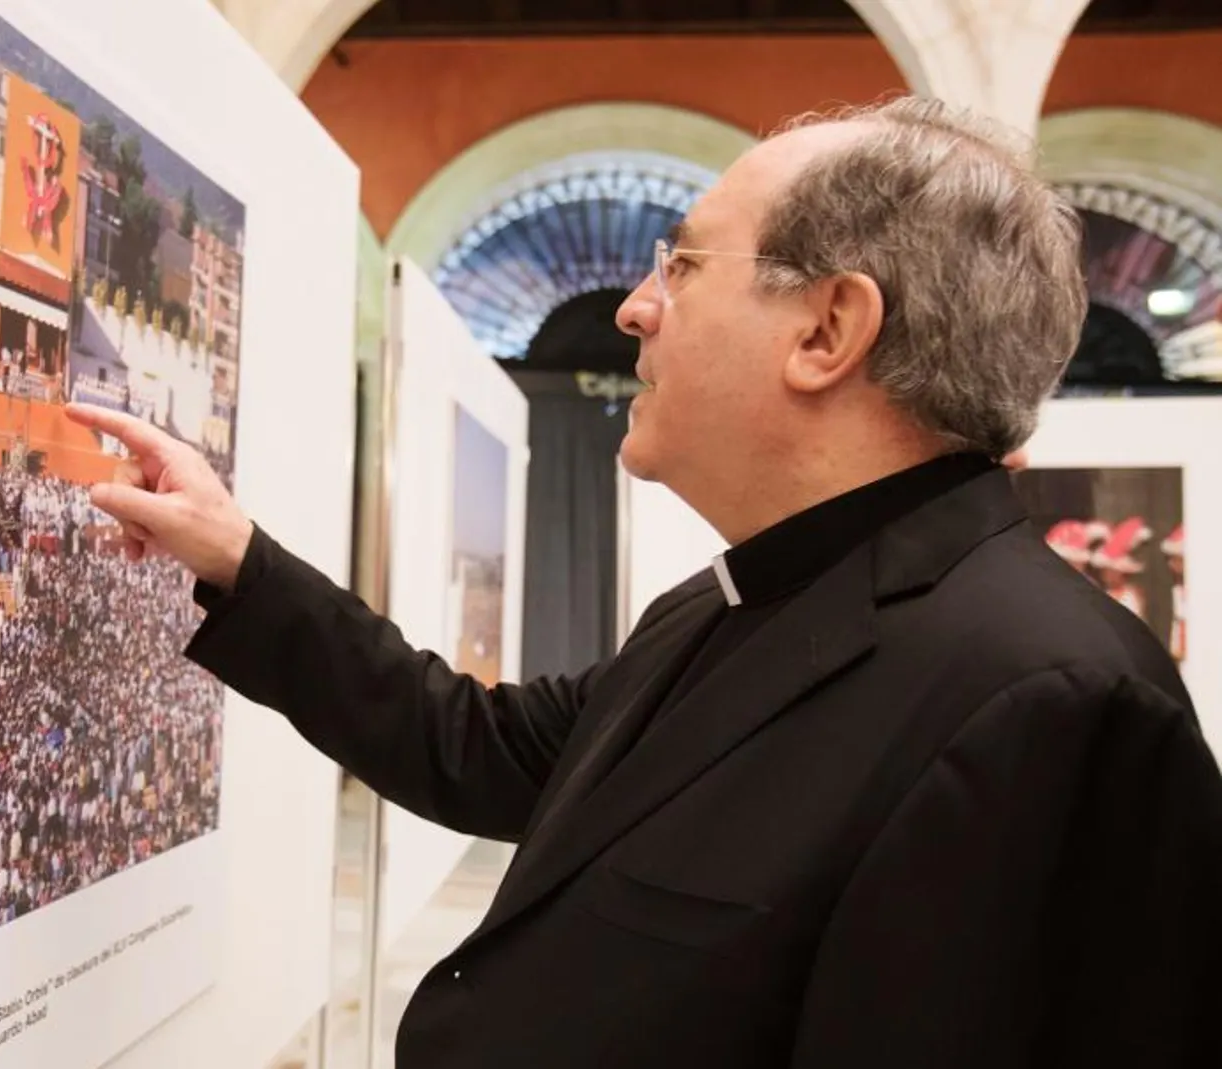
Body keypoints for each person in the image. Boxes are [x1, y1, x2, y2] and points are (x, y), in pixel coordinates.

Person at [66, 95, 1222, 1068]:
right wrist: (237, 559)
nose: (633, 306)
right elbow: (485, 747)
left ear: (828, 328)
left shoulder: (1055, 702)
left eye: (681, 261)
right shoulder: (732, 600)